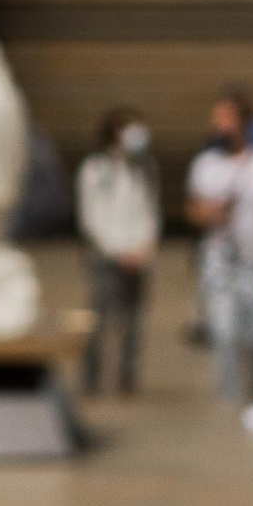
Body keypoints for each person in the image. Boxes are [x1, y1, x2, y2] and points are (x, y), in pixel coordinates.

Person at [185, 91, 253, 432]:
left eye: (226, 118)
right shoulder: (205, 165)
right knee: (224, 329)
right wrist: (210, 213)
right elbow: (194, 210)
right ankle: (229, 396)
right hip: (218, 258)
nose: (219, 126)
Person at [76, 110, 161, 398]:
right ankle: (92, 378)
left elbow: (150, 211)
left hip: (138, 256)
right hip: (107, 257)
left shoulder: (145, 168)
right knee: (99, 318)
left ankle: (127, 379)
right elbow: (91, 217)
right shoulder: (94, 169)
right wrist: (117, 250)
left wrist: (144, 246)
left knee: (133, 322)